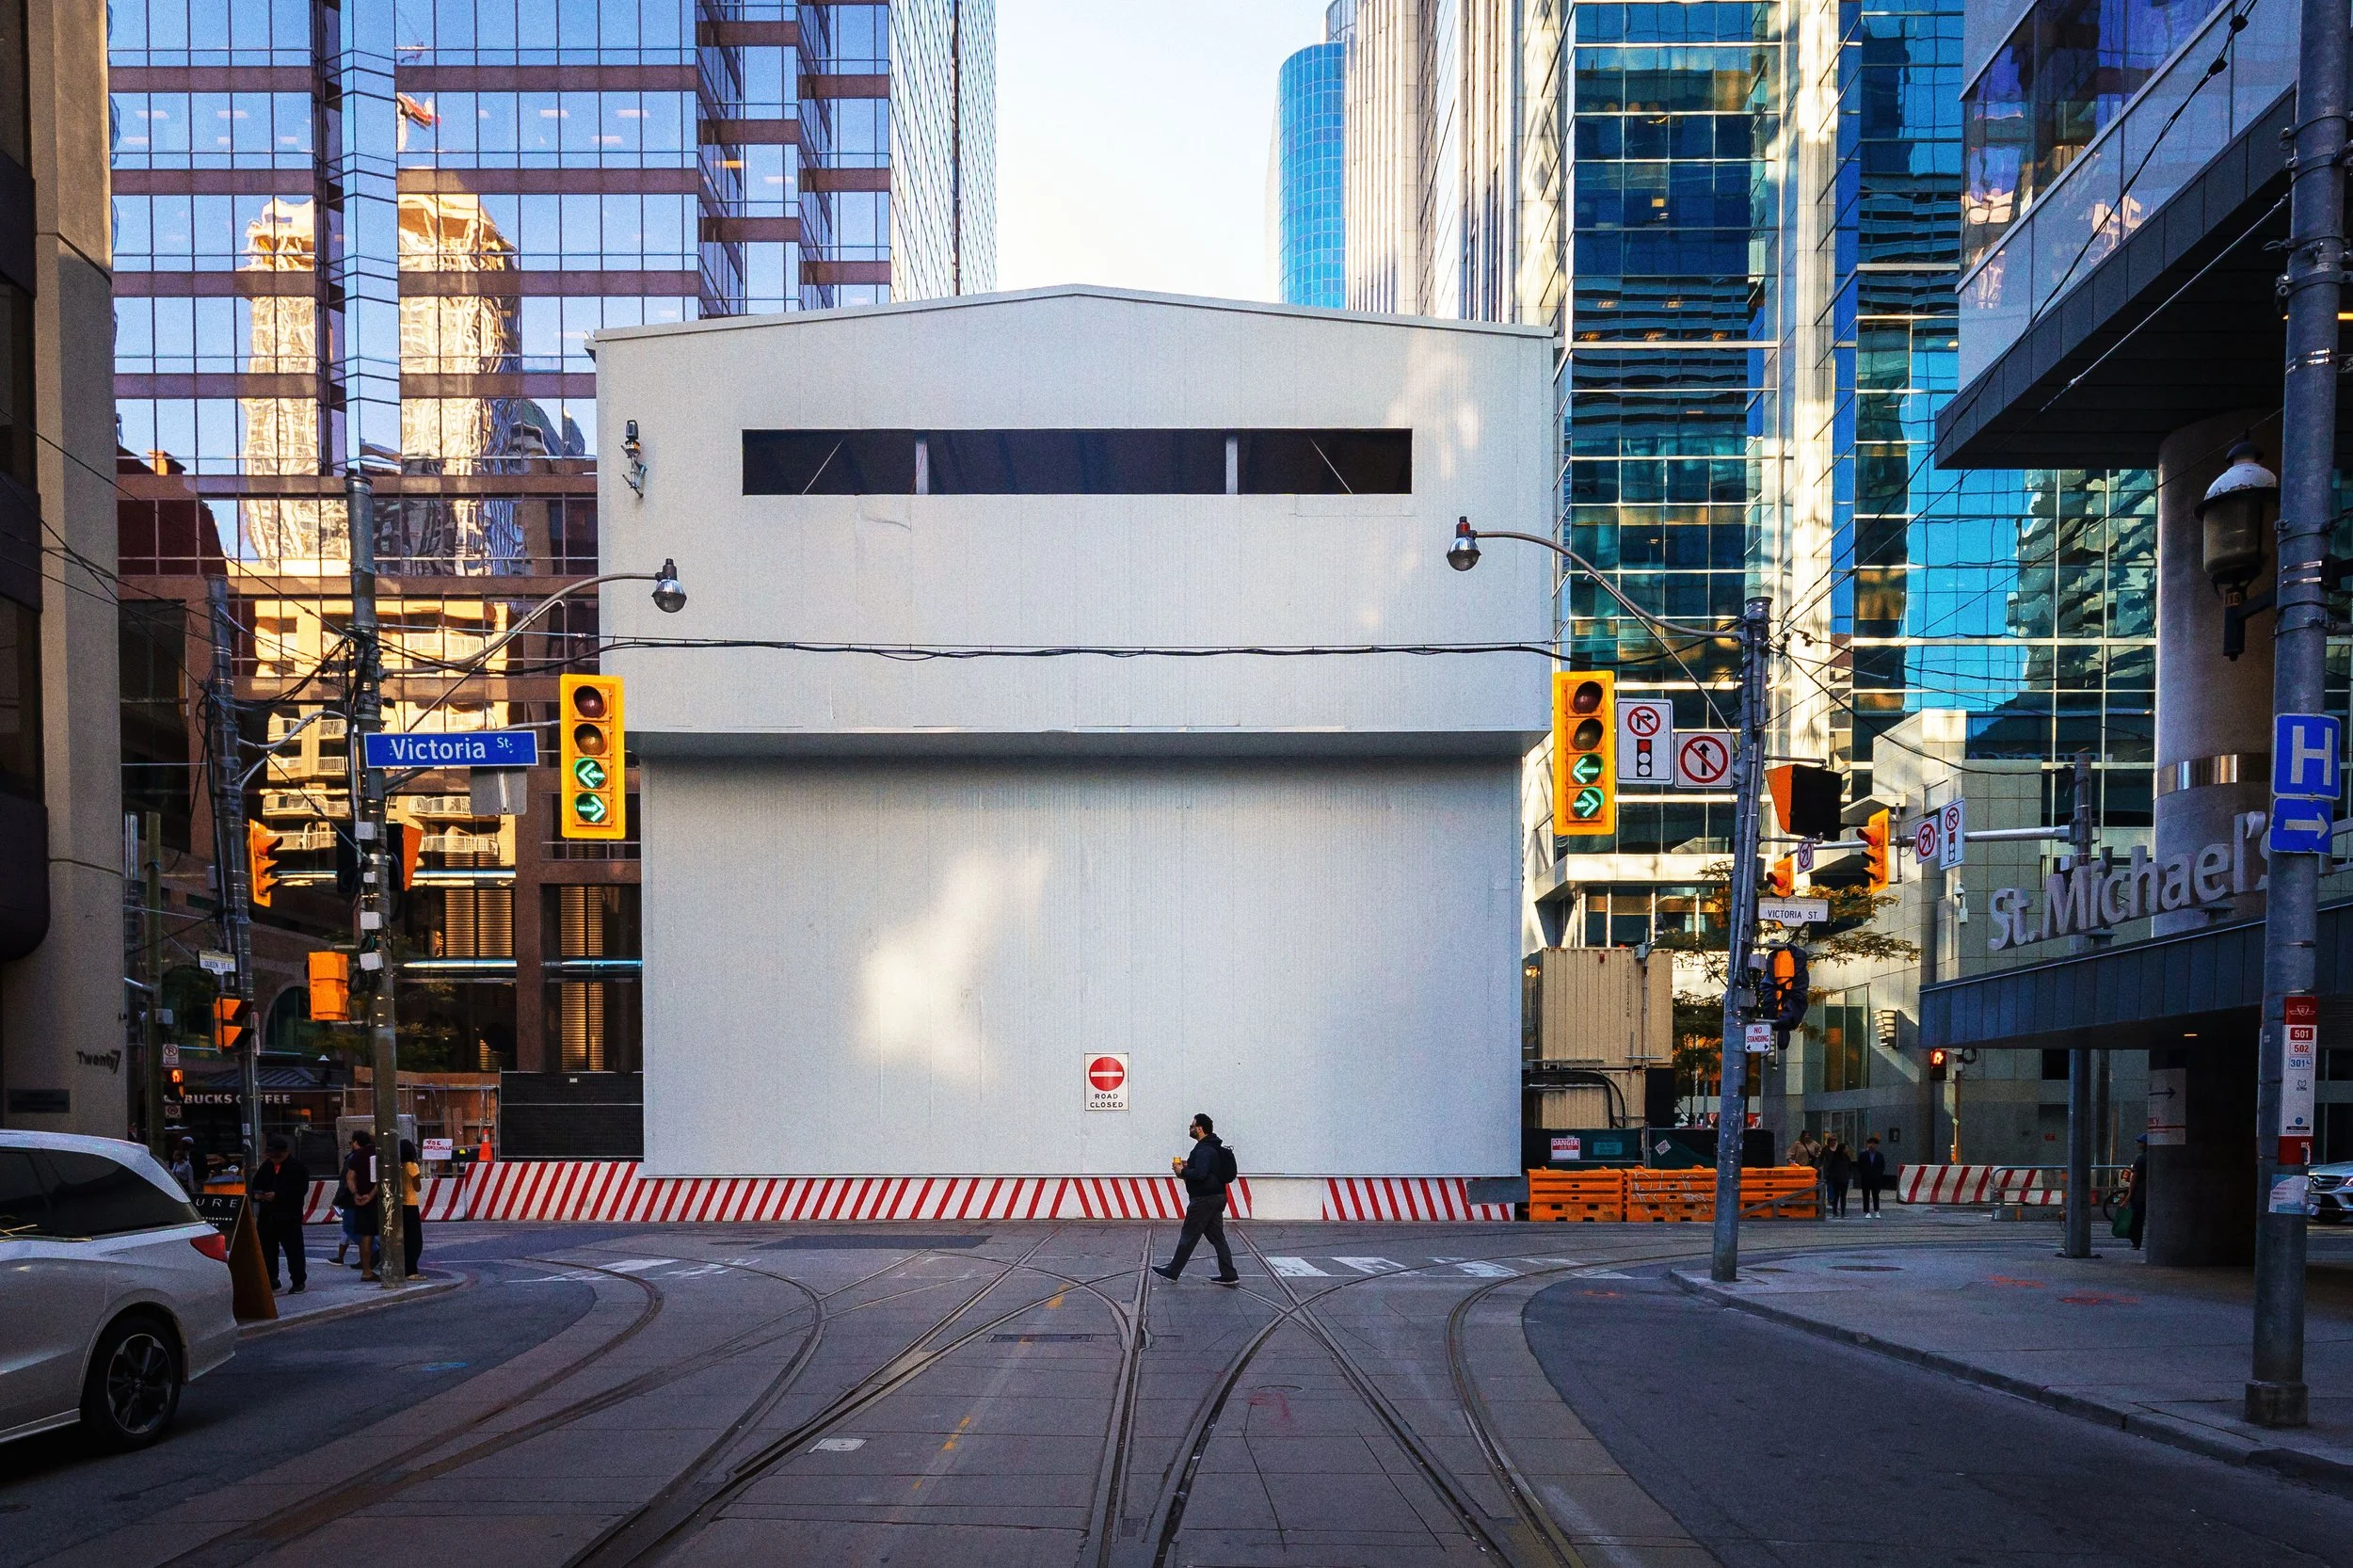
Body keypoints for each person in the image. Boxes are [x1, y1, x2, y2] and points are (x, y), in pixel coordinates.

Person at [1153, 1113, 1240, 1286]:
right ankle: (1229, 1274)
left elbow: (1201, 1174)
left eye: (1192, 1126)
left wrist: (1182, 1171)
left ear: (1200, 1129)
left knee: (1189, 1235)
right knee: (1217, 1237)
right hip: (1217, 1196)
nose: (1190, 1129)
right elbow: (1206, 1170)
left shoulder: (1203, 1149)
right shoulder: (1213, 1147)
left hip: (1203, 1200)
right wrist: (1188, 1166)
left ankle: (1172, 1271)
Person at [248, 1134, 312, 1293]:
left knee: (293, 1250)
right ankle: (271, 1279)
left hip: (288, 1216)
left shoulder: (297, 1167)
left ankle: (298, 1280)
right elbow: (256, 1185)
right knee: (268, 1250)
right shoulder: (267, 1167)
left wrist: (278, 1195)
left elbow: (300, 1190)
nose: (274, 1160)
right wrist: (257, 1195)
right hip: (267, 1216)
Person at [343, 1130, 381, 1281]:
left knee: (366, 1236)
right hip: (379, 1199)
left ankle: (366, 1270)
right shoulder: (380, 1153)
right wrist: (371, 1195)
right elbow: (381, 1178)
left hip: (361, 1200)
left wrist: (356, 1194)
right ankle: (391, 1266)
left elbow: (350, 1177)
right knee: (387, 1232)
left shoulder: (357, 1155)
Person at [398, 1137, 424, 1278]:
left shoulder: (397, 1166)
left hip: (399, 1205)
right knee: (415, 1239)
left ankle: (403, 1267)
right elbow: (417, 1187)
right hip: (411, 1203)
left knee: (404, 1237)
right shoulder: (412, 1166)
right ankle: (412, 1270)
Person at [1856, 1134, 1887, 1218]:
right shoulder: (1863, 1155)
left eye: (1874, 1143)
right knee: (1866, 1195)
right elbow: (1859, 1165)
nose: (1872, 1145)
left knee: (1876, 1195)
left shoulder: (1880, 1155)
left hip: (1876, 1178)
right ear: (1867, 1144)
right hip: (1865, 1178)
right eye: (1870, 1143)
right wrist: (1863, 1173)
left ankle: (1876, 1211)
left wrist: (1879, 1173)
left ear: (1876, 1145)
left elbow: (1883, 1166)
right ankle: (1867, 1211)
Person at [1823, 1136, 1853, 1219]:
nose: (1847, 1149)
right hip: (1837, 1179)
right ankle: (1835, 1211)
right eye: (1846, 1148)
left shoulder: (1846, 1157)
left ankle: (1842, 1212)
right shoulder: (1836, 1157)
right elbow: (1830, 1167)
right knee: (1837, 1196)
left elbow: (1850, 1167)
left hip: (1843, 1179)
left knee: (1842, 1196)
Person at [2126, 1134, 2148, 1251]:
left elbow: (2134, 1177)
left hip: (2140, 1192)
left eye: (2140, 1142)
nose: (2139, 1144)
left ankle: (2136, 1242)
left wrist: (2129, 1194)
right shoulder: (2154, 1157)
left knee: (2137, 1218)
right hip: (2150, 1192)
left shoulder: (2141, 1159)